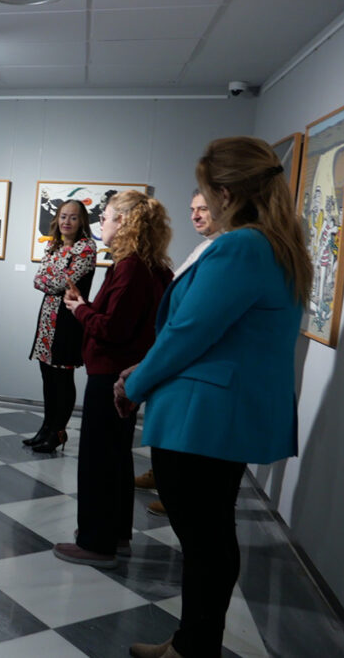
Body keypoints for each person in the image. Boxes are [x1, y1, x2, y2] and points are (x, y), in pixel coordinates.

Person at [118, 138, 311, 658]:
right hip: (220, 413)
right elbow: (213, 332)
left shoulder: (242, 246)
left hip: (203, 416)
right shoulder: (277, 244)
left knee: (204, 542)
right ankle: (192, 642)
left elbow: (188, 332)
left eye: (206, 192)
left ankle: (193, 646)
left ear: (224, 193)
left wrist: (133, 385)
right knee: (211, 537)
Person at [53, 190, 172, 568]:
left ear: (124, 222)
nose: (100, 222)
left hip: (110, 373)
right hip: (124, 373)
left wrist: (80, 309)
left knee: (98, 461)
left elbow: (113, 328)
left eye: (105, 217)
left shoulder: (131, 267)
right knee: (116, 459)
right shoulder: (150, 265)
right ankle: (115, 532)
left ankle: (96, 542)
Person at [135, 189, 223, 516]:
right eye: (192, 209)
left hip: (192, 365)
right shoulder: (206, 246)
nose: (196, 215)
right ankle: (170, 486)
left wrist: (139, 378)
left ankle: (178, 495)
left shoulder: (226, 249)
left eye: (203, 208)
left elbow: (194, 320)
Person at [26, 199, 96, 452]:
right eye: (63, 216)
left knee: (63, 377)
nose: (67, 222)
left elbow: (57, 283)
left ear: (82, 221)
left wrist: (49, 278)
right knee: (47, 374)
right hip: (48, 318)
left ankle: (58, 432)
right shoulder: (53, 245)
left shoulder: (86, 248)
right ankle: (46, 427)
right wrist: (50, 279)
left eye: (73, 217)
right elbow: (39, 279)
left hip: (68, 319)